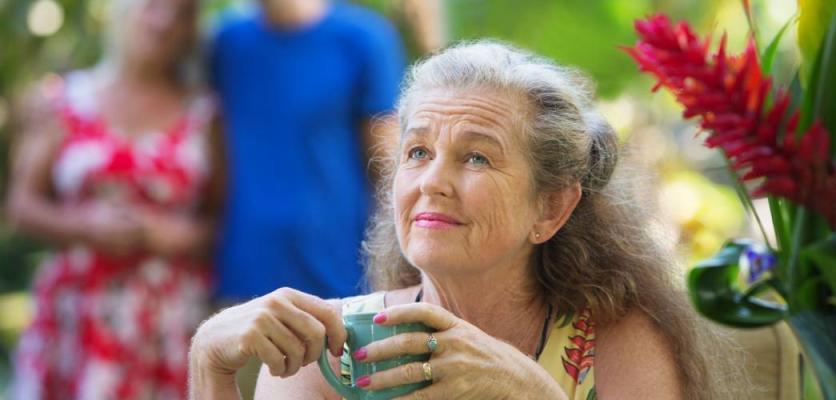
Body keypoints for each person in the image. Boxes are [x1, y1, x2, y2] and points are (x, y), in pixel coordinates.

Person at [189, 41, 737, 400]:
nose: (432, 182)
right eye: (417, 153)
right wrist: (209, 365)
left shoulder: (613, 345)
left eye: (476, 157)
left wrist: (531, 391)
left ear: (551, 208)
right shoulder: (332, 356)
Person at [5, 0, 222, 397]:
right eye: (155, 6)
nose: (164, 21)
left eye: (182, 13)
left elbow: (220, 224)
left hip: (166, 320)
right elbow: (19, 205)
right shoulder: (66, 100)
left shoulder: (204, 113)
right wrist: (83, 226)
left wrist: (162, 234)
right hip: (76, 313)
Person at [208, 0, 406, 302]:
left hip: (339, 278)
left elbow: (388, 170)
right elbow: (216, 158)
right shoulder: (227, 43)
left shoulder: (363, 38)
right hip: (245, 278)